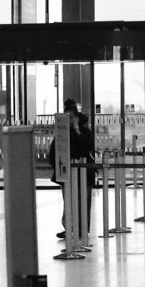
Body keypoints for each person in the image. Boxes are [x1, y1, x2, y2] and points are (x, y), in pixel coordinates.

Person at [48, 98, 95, 240]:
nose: (69, 121)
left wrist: (77, 131)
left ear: (76, 117)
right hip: (66, 171)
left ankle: (81, 229)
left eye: (72, 118)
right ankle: (69, 227)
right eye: (67, 118)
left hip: (84, 172)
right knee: (68, 201)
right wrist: (57, 165)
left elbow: (88, 147)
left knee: (83, 200)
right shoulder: (62, 132)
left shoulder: (84, 130)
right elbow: (53, 151)